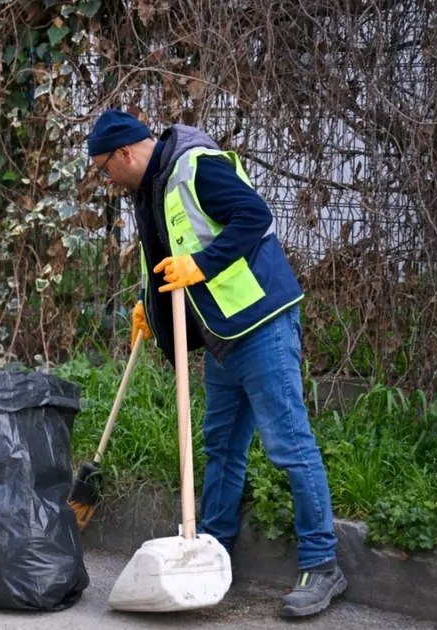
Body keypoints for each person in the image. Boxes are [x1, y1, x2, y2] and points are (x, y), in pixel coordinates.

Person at [86, 109, 345, 617]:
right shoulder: (150, 190)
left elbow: (255, 216)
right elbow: (168, 256)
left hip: (261, 321)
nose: (105, 179)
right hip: (222, 332)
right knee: (220, 446)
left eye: (103, 168)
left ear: (124, 153)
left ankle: (324, 565)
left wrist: (201, 266)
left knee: (289, 445)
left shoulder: (196, 167)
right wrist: (150, 307)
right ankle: (212, 551)